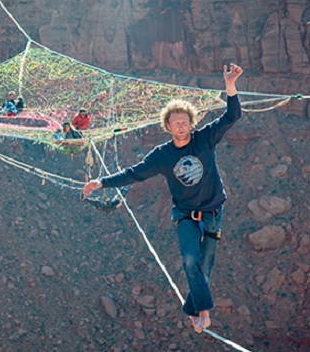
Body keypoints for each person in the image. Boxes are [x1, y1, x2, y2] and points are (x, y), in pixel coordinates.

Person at [83, 63, 244, 334]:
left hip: (213, 212)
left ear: (191, 123)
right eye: (175, 122)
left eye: (185, 122)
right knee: (191, 260)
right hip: (185, 216)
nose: (181, 126)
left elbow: (232, 116)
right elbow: (134, 174)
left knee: (205, 265)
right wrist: (102, 183)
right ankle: (204, 314)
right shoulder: (162, 155)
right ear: (167, 126)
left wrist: (230, 85)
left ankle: (193, 311)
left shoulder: (204, 139)